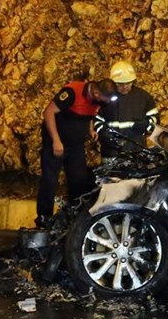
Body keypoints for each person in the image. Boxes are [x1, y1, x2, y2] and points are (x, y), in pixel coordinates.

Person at [36, 76, 118, 227]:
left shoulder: (96, 100)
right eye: (105, 100)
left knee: (78, 181)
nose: (105, 103)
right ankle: (43, 219)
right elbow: (48, 112)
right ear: (97, 93)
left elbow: (89, 115)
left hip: (76, 146)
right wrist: (56, 140)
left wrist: (90, 130)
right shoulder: (73, 92)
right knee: (50, 182)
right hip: (56, 144)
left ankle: (73, 220)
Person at [95, 60, 160, 163]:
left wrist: (146, 125)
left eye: (128, 83)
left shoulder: (143, 97)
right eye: (120, 84)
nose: (124, 87)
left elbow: (155, 119)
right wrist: (103, 133)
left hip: (136, 153)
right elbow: (96, 120)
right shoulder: (106, 97)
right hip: (111, 153)